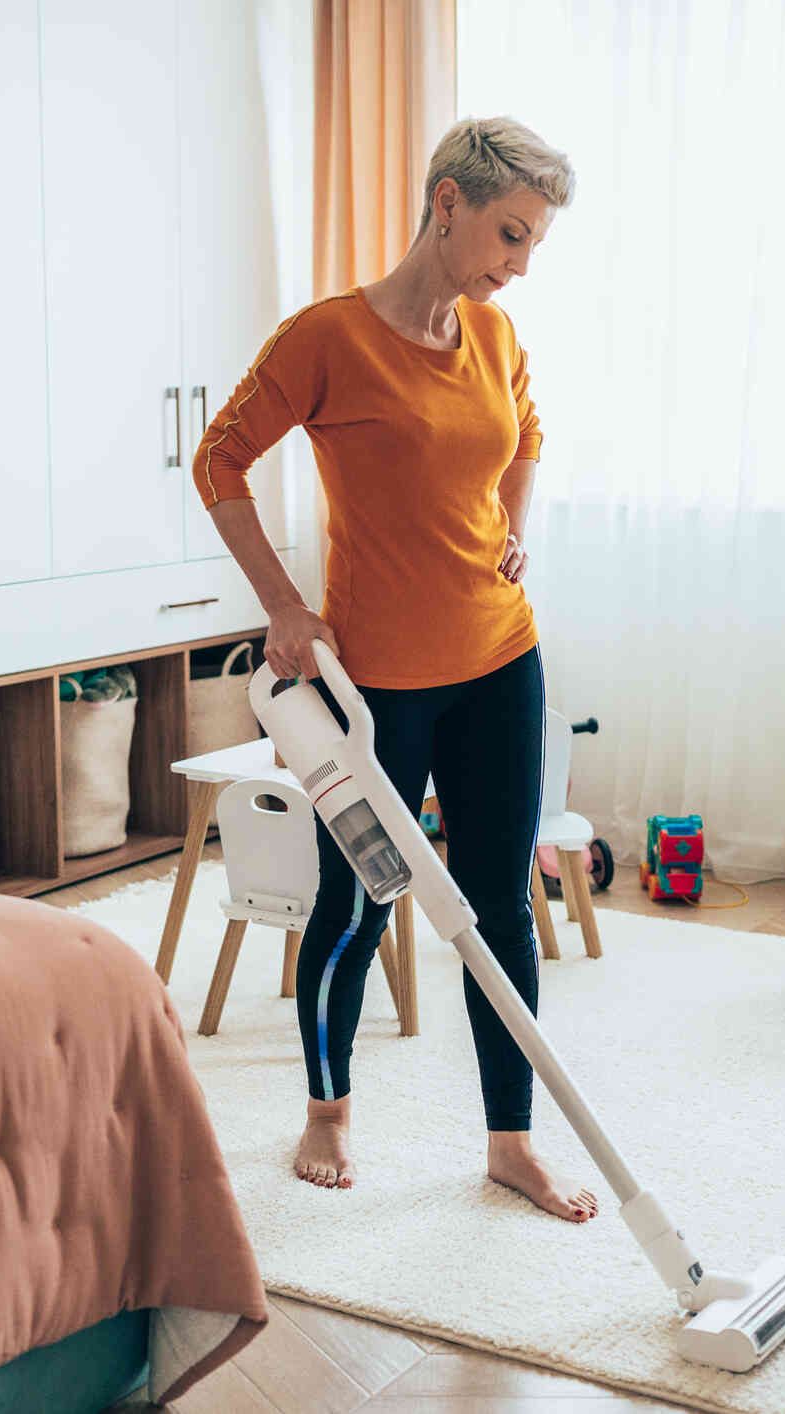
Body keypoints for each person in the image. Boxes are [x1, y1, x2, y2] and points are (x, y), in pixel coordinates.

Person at [192, 117, 594, 1223]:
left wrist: (513, 525)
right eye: (510, 234)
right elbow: (218, 457)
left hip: (501, 655)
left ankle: (509, 1142)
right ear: (447, 202)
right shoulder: (326, 339)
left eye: (532, 246)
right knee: (361, 902)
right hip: (376, 688)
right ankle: (327, 1111)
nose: (517, 265)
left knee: (500, 905)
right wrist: (282, 605)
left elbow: (526, 438)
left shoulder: (494, 337)